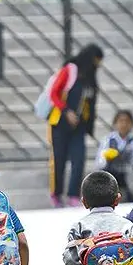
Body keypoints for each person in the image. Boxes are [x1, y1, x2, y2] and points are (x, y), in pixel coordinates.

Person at [47, 44, 105, 208]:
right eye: (96, 61)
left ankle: (73, 195)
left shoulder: (90, 79)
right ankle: (56, 195)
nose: (98, 65)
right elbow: (54, 93)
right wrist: (67, 111)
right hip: (59, 123)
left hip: (78, 127)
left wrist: (89, 125)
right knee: (59, 160)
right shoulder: (70, 70)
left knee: (78, 160)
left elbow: (90, 104)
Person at [95, 109, 133, 203]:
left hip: (127, 172)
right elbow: (100, 161)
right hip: (111, 171)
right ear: (115, 124)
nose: (124, 124)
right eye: (120, 121)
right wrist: (107, 157)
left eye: (127, 121)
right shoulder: (108, 139)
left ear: (131, 124)